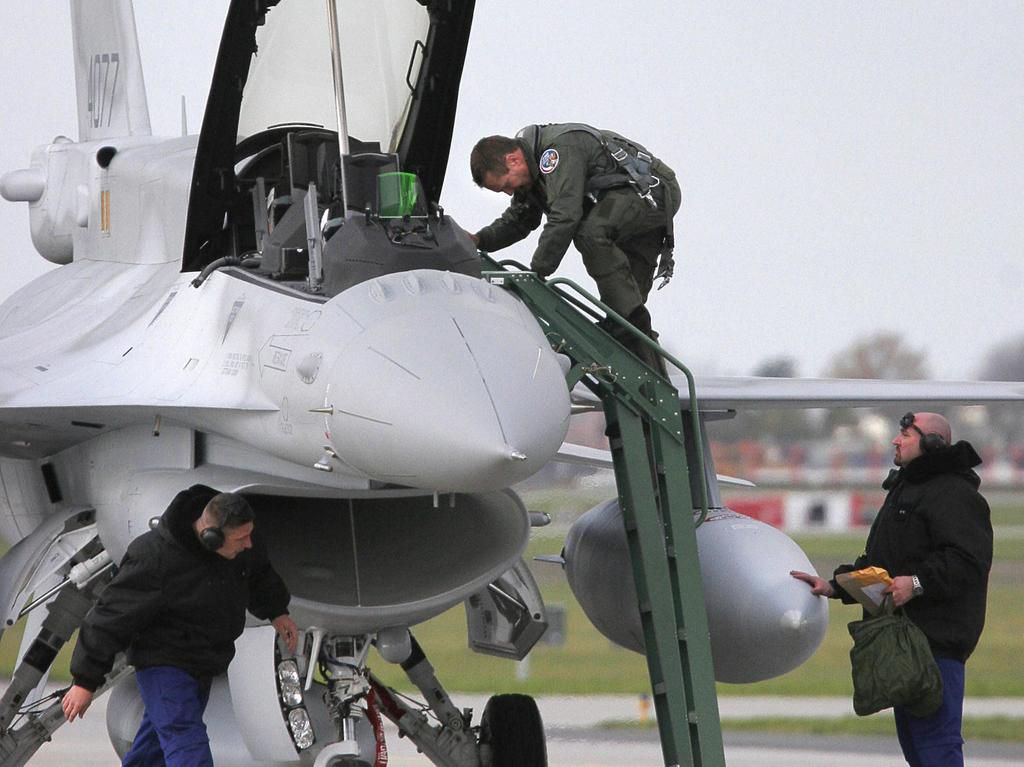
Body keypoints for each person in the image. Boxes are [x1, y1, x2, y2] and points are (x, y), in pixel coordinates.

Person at [791, 411, 992, 767]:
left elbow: (968, 561)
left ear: (931, 444)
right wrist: (834, 586)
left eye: (906, 434)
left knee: (936, 748)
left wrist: (916, 584)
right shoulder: (907, 490)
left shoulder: (954, 494)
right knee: (917, 748)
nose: (895, 440)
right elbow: (883, 566)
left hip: (935, 646)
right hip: (903, 644)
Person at [62, 485, 299, 766]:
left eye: (249, 535)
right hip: (164, 664)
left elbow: (258, 574)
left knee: (153, 751)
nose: (248, 543)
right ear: (210, 537)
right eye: (241, 538)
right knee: (186, 743)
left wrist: (277, 612)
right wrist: (85, 681)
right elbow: (109, 617)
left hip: (204, 661)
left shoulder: (242, 543)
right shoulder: (156, 557)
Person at [469, 123, 681, 373]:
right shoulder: (531, 171)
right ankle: (659, 386)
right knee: (632, 323)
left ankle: (624, 324)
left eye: (505, 184)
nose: (508, 192)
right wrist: (478, 240)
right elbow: (519, 220)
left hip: (651, 193)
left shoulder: (558, 151)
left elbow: (565, 216)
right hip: (624, 201)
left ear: (513, 160)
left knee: (592, 233)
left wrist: (536, 275)